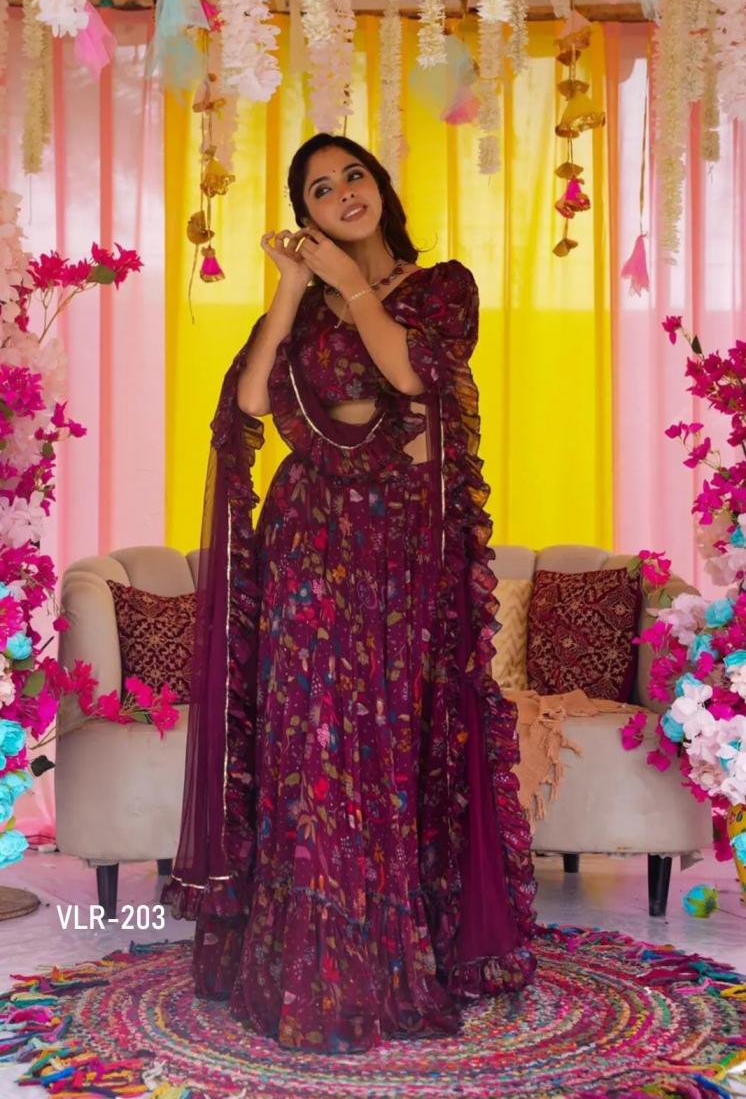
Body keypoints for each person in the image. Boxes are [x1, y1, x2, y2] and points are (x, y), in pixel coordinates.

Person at [162, 133, 537, 1053]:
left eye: (353, 176)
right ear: (309, 217)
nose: (343, 195)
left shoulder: (441, 288)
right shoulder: (307, 303)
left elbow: (414, 375)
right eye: (321, 190)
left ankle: (389, 947)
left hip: (398, 539)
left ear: (380, 188)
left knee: (385, 731)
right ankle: (310, 956)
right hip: (306, 535)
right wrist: (292, 286)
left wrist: (352, 286)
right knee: (309, 734)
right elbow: (251, 402)